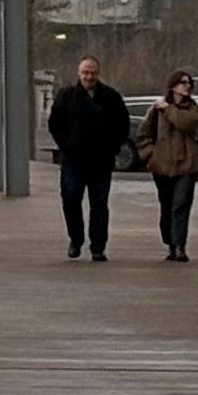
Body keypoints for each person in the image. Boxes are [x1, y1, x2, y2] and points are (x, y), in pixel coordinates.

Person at [48, 56, 124, 261]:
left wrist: (113, 149)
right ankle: (76, 238)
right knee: (70, 200)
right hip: (73, 161)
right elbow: (54, 124)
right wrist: (66, 146)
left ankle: (98, 246)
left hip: (101, 161)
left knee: (99, 204)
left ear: (98, 73)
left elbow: (122, 125)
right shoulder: (66, 96)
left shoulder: (110, 97)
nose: (89, 76)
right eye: (85, 72)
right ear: (79, 73)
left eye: (93, 73)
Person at [136, 69, 198, 261]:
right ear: (173, 86)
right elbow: (143, 134)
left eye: (189, 83)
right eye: (183, 82)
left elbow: (187, 123)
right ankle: (169, 242)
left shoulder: (192, 109)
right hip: (162, 166)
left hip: (186, 165)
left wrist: (168, 109)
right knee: (166, 206)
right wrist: (151, 155)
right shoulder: (156, 111)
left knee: (181, 205)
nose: (187, 86)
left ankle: (179, 245)